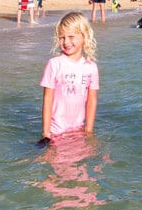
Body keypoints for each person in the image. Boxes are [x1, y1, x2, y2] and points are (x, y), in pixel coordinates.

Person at [39, 12, 99, 144]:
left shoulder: (91, 67)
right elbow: (47, 99)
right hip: (56, 131)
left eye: (71, 36)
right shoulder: (54, 64)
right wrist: (46, 133)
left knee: (83, 163)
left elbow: (92, 101)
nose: (66, 42)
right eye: (62, 37)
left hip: (78, 131)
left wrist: (88, 130)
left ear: (84, 36)